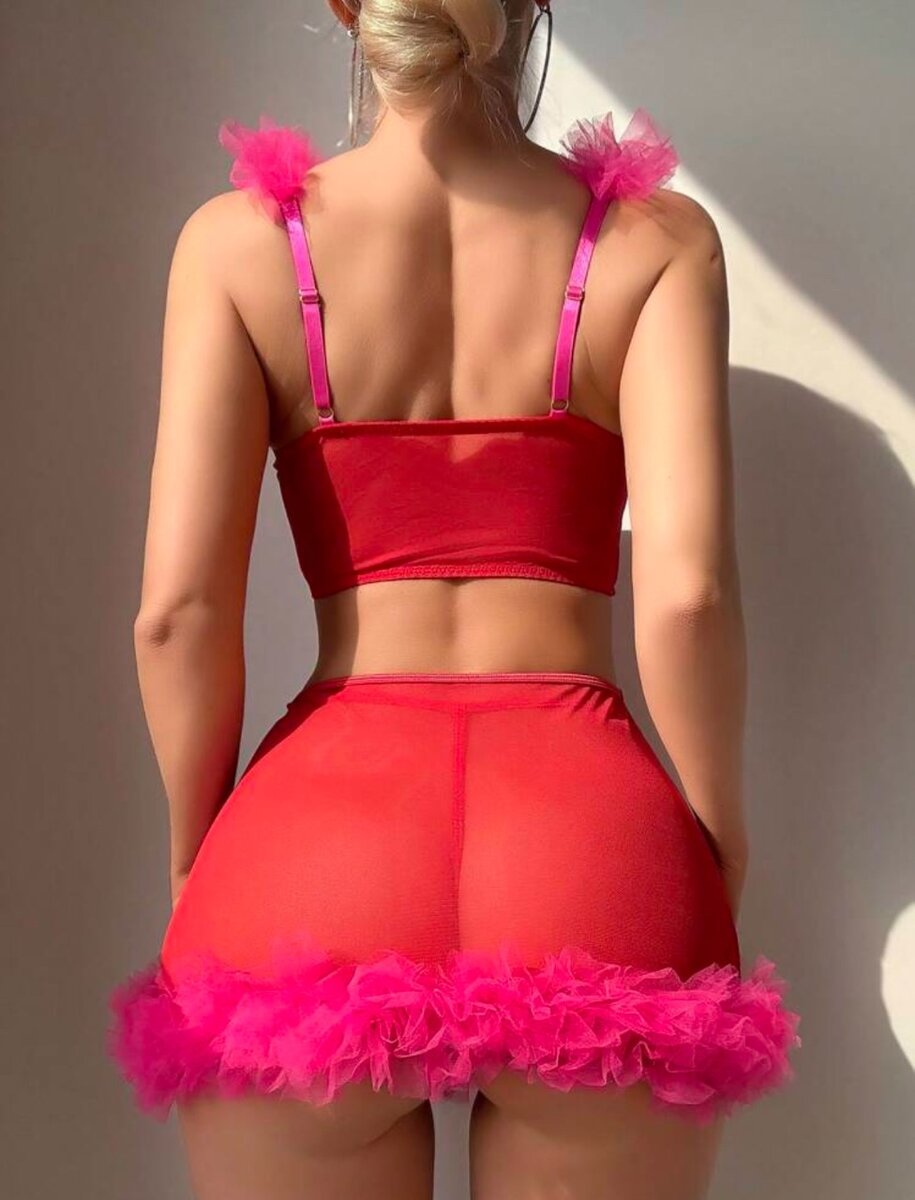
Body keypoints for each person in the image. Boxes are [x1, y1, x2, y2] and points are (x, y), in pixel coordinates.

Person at [108, 2, 800, 1197]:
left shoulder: (238, 247)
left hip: (312, 850)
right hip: (592, 850)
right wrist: (716, 836)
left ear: (349, 7)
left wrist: (194, 855)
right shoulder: (653, 243)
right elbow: (687, 596)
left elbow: (176, 612)